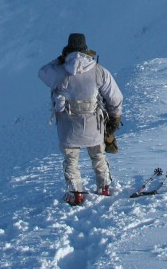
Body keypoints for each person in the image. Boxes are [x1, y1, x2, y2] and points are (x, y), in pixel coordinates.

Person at [38, 33, 123, 205]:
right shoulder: (99, 71)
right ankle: (104, 187)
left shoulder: (58, 71)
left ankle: (76, 193)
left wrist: (60, 59)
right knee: (98, 156)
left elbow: (42, 72)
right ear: (86, 49)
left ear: (68, 48)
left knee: (71, 161)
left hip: (68, 127)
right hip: (94, 125)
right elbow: (115, 98)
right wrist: (114, 119)